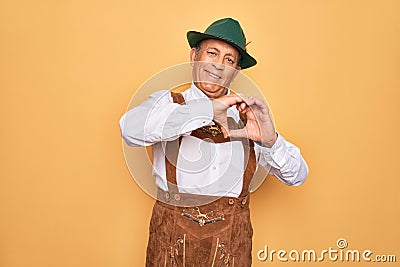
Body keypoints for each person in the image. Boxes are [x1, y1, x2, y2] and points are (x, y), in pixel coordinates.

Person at [119, 17, 308, 267]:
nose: (219, 65)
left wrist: (270, 140)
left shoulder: (248, 118)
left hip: (232, 249)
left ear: (236, 71)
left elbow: (297, 176)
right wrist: (205, 112)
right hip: (169, 248)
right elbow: (129, 129)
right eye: (212, 53)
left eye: (229, 60)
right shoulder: (167, 104)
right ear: (194, 56)